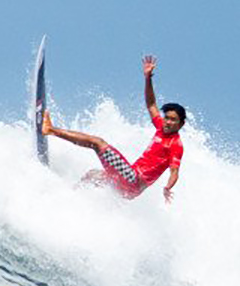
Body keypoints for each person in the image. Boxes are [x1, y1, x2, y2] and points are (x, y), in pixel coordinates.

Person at [42, 55, 185, 203]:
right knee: (93, 176)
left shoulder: (176, 145)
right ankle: (68, 199)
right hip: (129, 186)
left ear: (180, 124)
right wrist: (148, 78)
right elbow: (151, 104)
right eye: (167, 117)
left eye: (173, 120)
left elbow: (174, 171)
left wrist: (168, 187)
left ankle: (51, 130)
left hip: (133, 181)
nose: (167, 121)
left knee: (97, 143)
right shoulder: (161, 127)